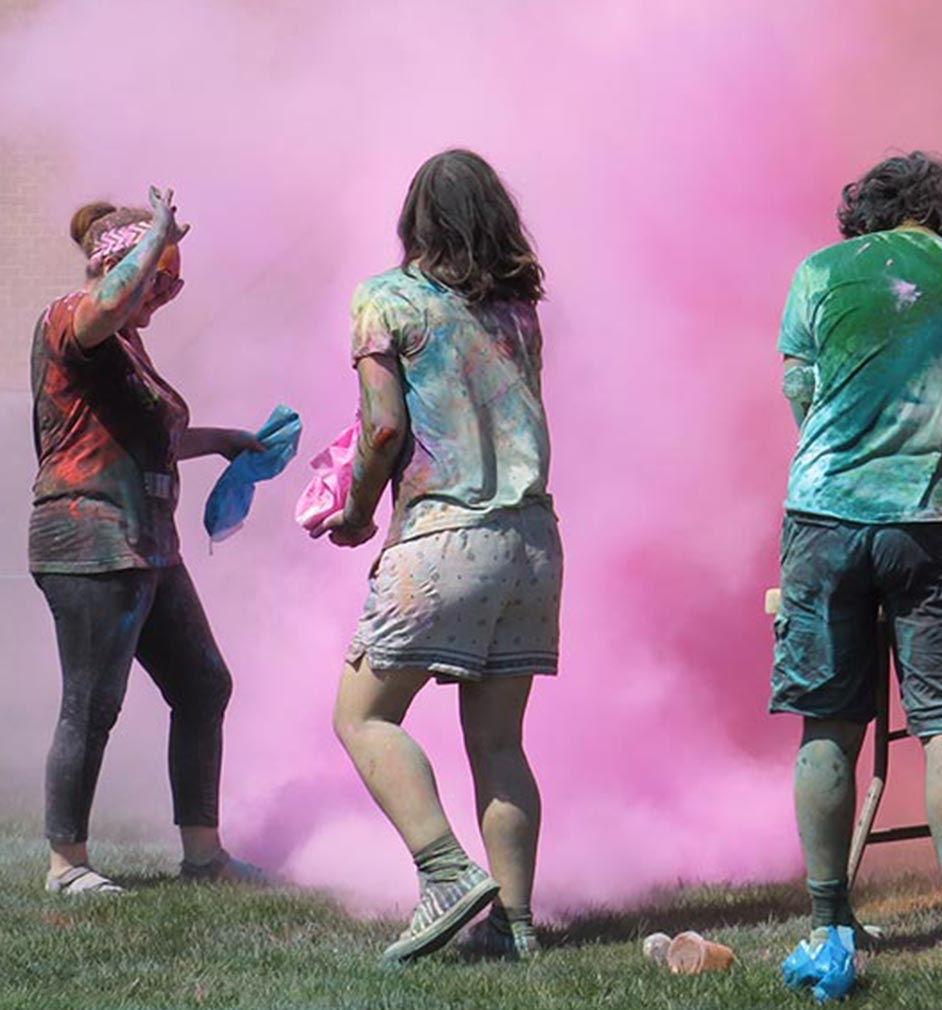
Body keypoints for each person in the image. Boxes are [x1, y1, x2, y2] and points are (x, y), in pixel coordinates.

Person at [769, 152, 942, 1000]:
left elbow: (801, 391)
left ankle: (828, 917)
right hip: (930, 521)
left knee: (827, 724)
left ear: (865, 215)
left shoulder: (821, 272)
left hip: (824, 517)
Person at [312, 150, 560, 964]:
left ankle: (447, 874)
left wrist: (352, 508)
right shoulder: (518, 312)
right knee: (499, 743)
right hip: (530, 540)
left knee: (363, 715)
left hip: (444, 538)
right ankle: (515, 927)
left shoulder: (386, 300)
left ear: (415, 217)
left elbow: (384, 427)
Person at [31, 188, 268, 895]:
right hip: (91, 537)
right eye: (155, 278)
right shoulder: (73, 319)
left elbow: (148, 436)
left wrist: (225, 441)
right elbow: (105, 307)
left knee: (203, 684)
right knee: (93, 702)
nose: (164, 294)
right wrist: (153, 236)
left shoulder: (129, 347)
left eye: (173, 282)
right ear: (119, 267)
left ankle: (204, 857)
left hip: (146, 541)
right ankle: (66, 865)